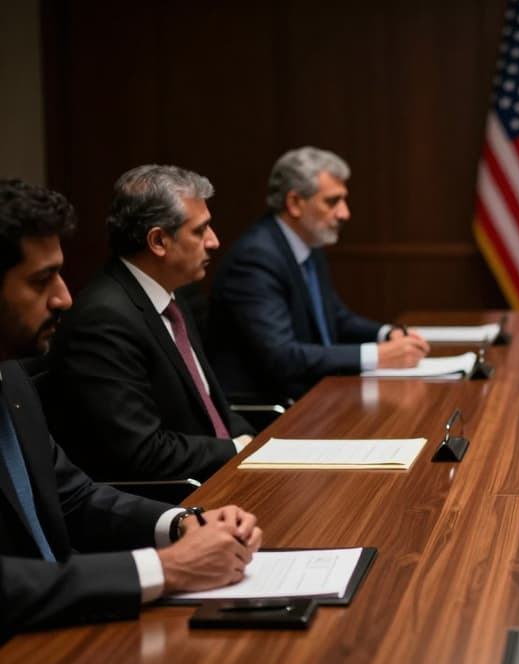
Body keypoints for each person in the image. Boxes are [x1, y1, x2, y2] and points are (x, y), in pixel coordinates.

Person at [0, 178, 262, 639]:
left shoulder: (11, 375)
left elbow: (74, 496)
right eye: (42, 280)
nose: (64, 297)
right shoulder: (100, 318)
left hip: (69, 622)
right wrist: (164, 569)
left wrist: (183, 524)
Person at [47, 166, 254, 482]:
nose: (214, 241)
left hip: (220, 475)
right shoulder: (104, 320)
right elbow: (142, 451)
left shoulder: (173, 293)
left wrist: (255, 445)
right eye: (200, 231)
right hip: (176, 499)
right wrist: (236, 449)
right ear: (159, 241)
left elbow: (212, 409)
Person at [207, 146, 430, 401]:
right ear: (295, 203)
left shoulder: (307, 243)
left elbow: (336, 318)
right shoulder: (256, 258)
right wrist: (379, 355)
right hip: (273, 409)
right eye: (332, 201)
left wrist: (386, 334)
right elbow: (282, 357)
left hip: (317, 396)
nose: (345, 213)